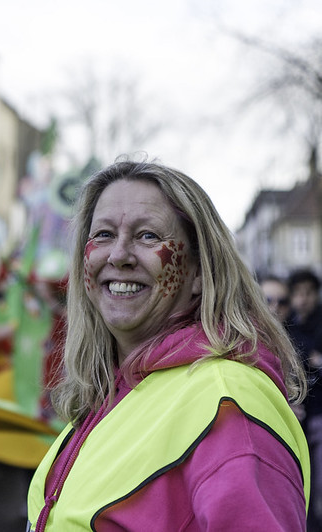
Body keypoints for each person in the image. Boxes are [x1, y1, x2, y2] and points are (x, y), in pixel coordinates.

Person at [27, 160, 309, 531]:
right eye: (104, 235)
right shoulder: (114, 391)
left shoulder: (229, 406)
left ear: (198, 272)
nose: (118, 255)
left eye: (147, 236)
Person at [286, 268, 322, 530]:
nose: (303, 299)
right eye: (298, 293)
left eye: (308, 293)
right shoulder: (290, 327)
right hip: (299, 415)